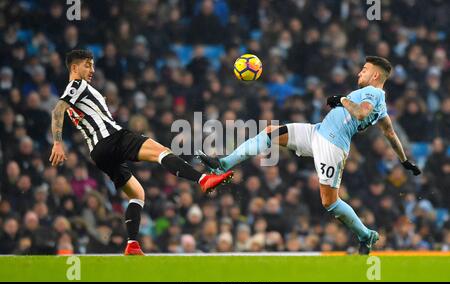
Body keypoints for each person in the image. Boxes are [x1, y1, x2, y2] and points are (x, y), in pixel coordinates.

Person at [197, 56, 421, 254]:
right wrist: (404, 160)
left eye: (363, 69)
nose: (359, 72)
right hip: (317, 131)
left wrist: (341, 100)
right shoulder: (381, 105)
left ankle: (365, 235)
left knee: (330, 202)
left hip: (332, 146)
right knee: (270, 133)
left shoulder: (372, 93)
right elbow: (390, 133)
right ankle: (223, 163)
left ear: (375, 75)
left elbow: (361, 114)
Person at [49, 50, 233, 256]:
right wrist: (57, 143)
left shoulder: (81, 91)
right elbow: (57, 110)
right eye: (87, 65)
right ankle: (203, 180)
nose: (91, 70)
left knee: (137, 194)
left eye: (92, 65)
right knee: (161, 152)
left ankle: (132, 244)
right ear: (74, 67)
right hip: (111, 138)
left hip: (98, 153)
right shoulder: (76, 85)